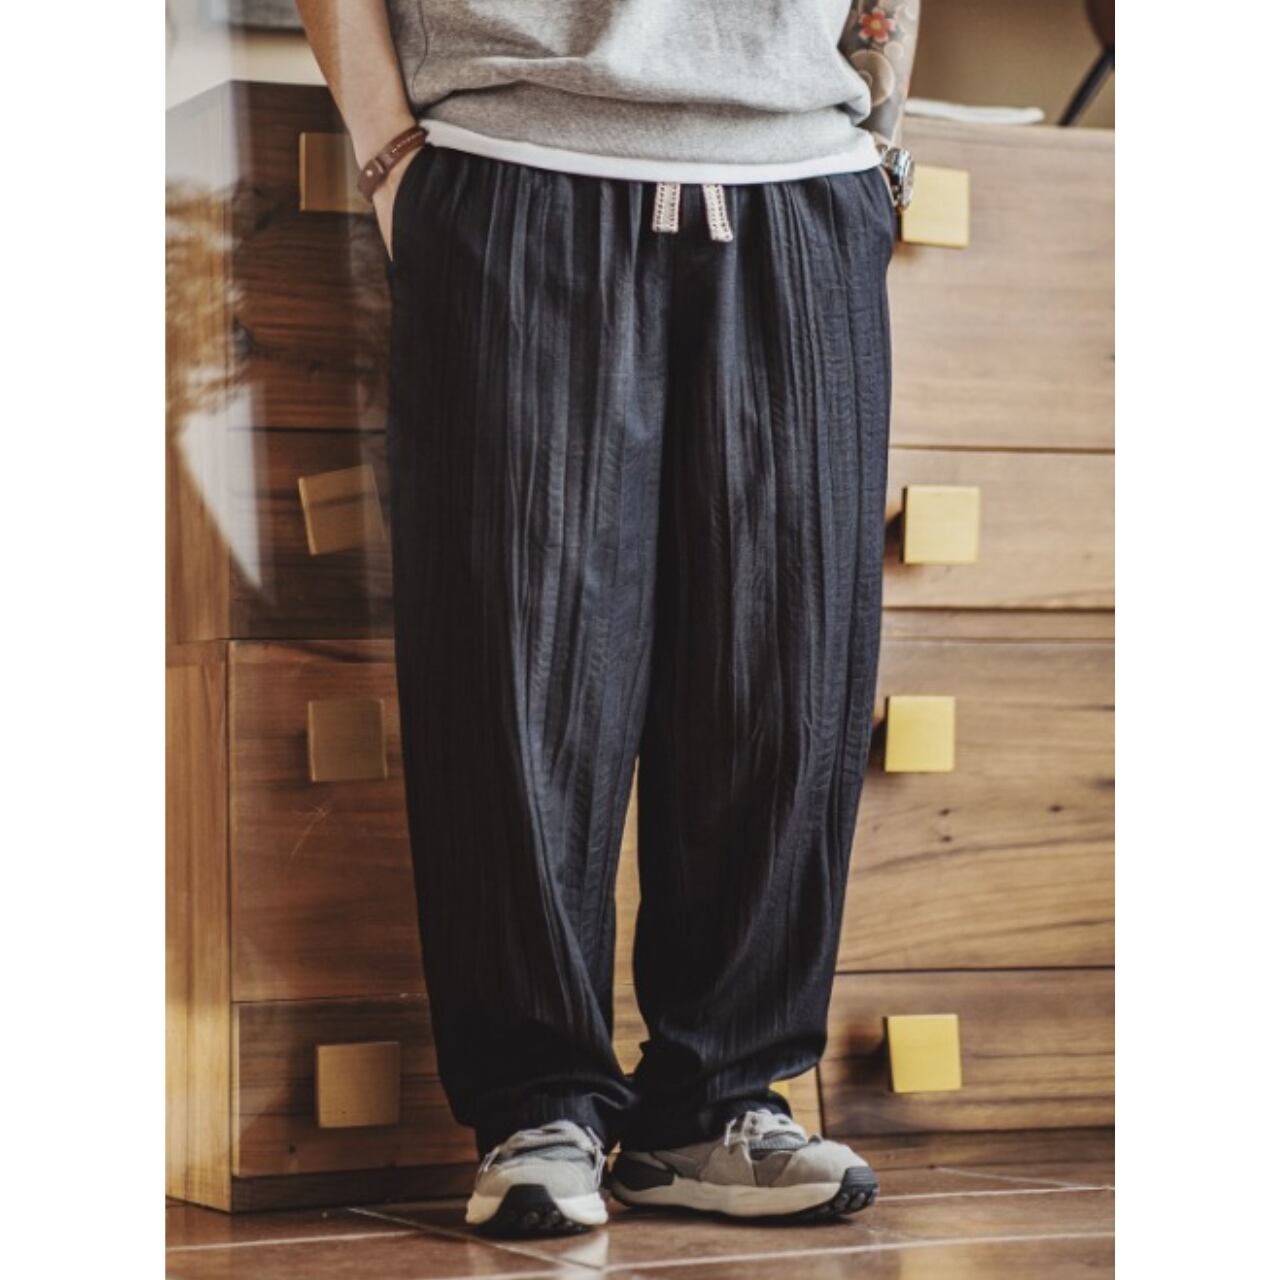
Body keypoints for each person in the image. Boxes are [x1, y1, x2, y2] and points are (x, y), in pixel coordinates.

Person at [297, 0, 920, 1238]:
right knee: (518, 672)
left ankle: (716, 1100)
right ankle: (537, 1103)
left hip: (805, 178)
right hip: (516, 159)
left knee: (784, 676)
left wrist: (880, 130)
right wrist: (388, 156)